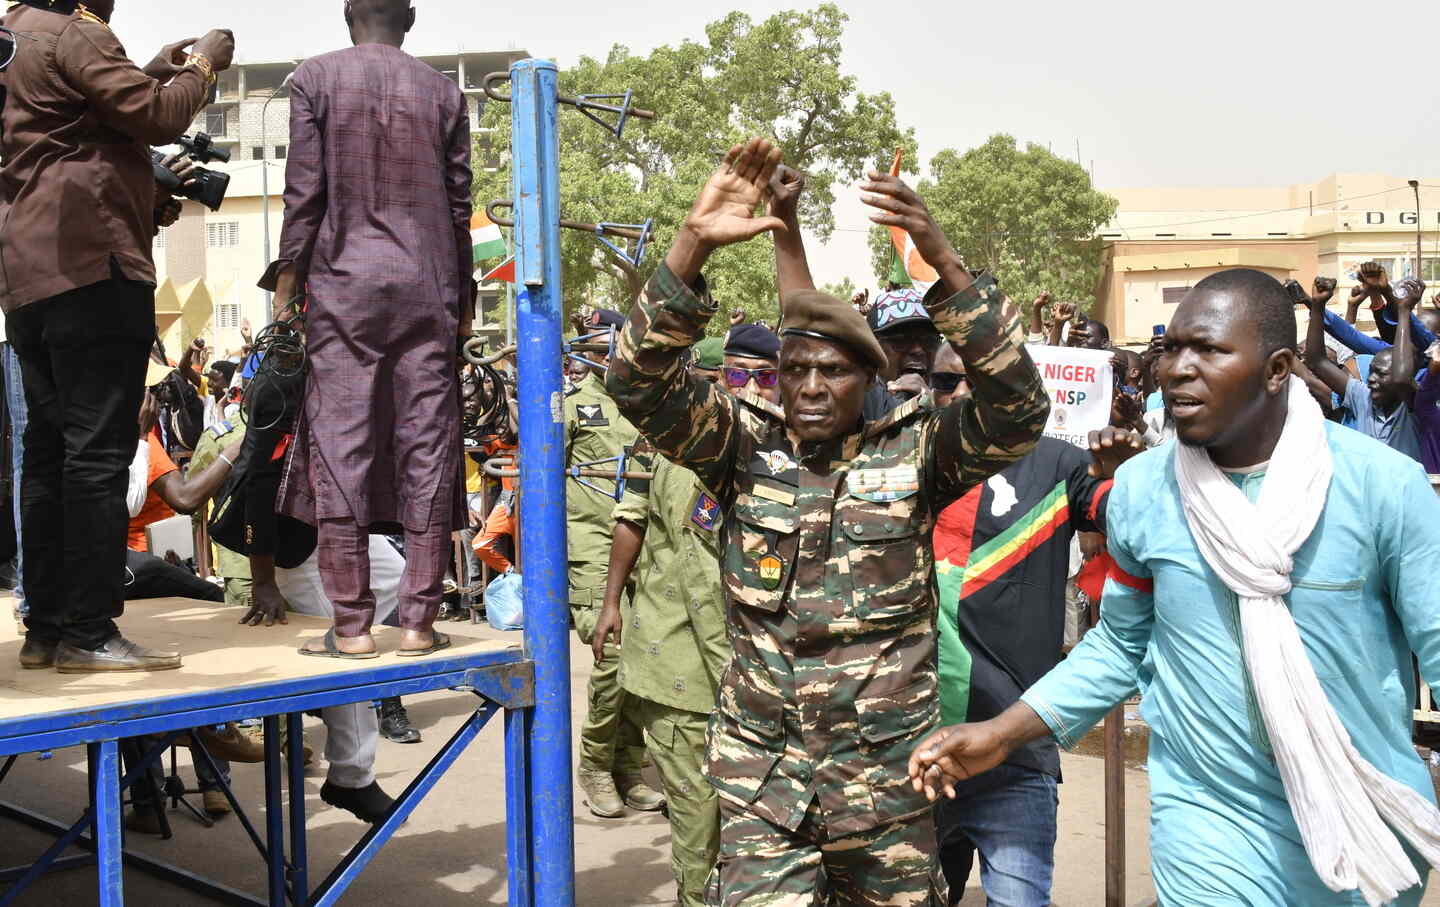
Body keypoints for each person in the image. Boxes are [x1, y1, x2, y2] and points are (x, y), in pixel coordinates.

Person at [607, 137, 1049, 905]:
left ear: (867, 378)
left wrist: (944, 259)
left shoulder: (917, 452)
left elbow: (1018, 409)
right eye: (796, 368)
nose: (810, 385)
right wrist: (689, 246)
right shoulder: (741, 445)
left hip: (887, 789)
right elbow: (635, 382)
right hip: (763, 789)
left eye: (833, 369)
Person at [911, 267, 1440, 907]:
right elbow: (1120, 647)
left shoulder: (1385, 487)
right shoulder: (1143, 490)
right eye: (1174, 349)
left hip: (1359, 820)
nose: (1177, 369)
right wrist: (1002, 734)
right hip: (1204, 819)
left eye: (1209, 350)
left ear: (1277, 370)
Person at [0, 0, 233, 672]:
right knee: (98, 456)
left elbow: (69, 113)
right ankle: (90, 631)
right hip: (92, 261)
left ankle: (45, 627)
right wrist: (202, 66)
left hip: (29, 268)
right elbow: (159, 116)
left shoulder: (15, 33)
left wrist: (151, 69)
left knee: (46, 455)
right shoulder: (76, 33)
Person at [260, 0, 471, 659]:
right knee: (429, 446)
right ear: (409, 18)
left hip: (344, 286)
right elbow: (459, 202)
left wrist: (289, 283)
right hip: (428, 284)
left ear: (349, 14)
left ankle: (351, 626)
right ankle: (417, 622)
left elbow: (305, 191)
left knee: (342, 447)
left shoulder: (315, 80)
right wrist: (461, 296)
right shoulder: (445, 93)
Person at [929, 347, 1140, 904]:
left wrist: (1124, 476)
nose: (963, 393)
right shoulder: (908, 464)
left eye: (979, 378)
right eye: (948, 380)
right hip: (916, 748)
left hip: (1017, 745)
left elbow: (1125, 530)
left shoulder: (1058, 464)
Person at [592, 321, 783, 905]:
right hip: (691, 673)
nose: (753, 387)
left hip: (730, 673)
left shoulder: (776, 449)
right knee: (703, 826)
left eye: (766, 376)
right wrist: (608, 602)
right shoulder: (699, 454)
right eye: (737, 373)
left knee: (745, 827)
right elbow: (651, 532)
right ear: (717, 377)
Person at [565, 308, 663, 818]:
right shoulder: (573, 407)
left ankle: (628, 766)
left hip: (641, 552)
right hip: (590, 554)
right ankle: (595, 765)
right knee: (613, 659)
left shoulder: (646, 407)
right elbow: (538, 487)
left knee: (641, 661)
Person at [1303, 279, 1424, 464]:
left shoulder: (1414, 404)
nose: (1371, 379)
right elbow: (1316, 361)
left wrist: (1404, 311)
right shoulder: (1362, 397)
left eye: (1381, 374)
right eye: (1372, 372)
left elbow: (1401, 378)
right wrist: (1318, 306)